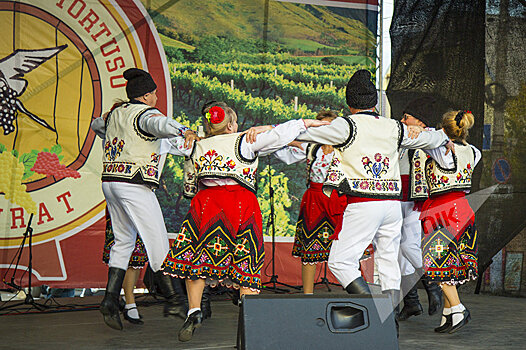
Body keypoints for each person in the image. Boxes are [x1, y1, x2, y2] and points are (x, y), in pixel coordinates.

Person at [161, 103, 329, 342]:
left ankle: (194, 310)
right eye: (236, 123)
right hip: (239, 206)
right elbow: (280, 134)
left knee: (195, 257)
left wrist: (185, 132)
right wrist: (306, 123)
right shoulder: (244, 141)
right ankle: (247, 314)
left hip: (206, 205)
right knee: (245, 259)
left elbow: (160, 140)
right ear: (230, 125)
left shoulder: (196, 143)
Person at [295, 70, 452, 323]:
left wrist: (275, 130)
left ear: (349, 104)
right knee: (388, 259)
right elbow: (432, 137)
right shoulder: (393, 126)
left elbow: (303, 134)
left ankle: (373, 307)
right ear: (375, 103)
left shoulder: (346, 125)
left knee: (340, 261)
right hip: (391, 204)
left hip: (364, 203)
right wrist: (446, 136)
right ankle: (390, 321)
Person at [91, 67, 198, 330]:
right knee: (157, 240)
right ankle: (173, 299)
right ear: (146, 95)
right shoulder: (146, 114)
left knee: (123, 241)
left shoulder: (117, 113)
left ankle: (109, 299)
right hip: (134, 184)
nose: (157, 99)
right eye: (155, 94)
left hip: (111, 183)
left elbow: (97, 125)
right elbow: (159, 124)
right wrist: (183, 130)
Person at [420, 110, 481, 333]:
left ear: (443, 129)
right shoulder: (474, 152)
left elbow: (425, 139)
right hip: (463, 209)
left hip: (442, 211)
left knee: (437, 261)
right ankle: (448, 315)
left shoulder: (441, 151)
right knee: (452, 262)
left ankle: (457, 308)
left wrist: (437, 135)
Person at [273, 110, 346, 295]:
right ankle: (308, 295)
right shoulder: (311, 148)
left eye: (329, 127)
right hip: (314, 200)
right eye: (320, 127)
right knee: (310, 248)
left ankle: (358, 294)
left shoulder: (345, 149)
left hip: (338, 200)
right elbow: (285, 155)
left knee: (347, 247)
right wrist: (288, 140)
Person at [396, 97, 443, 320]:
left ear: (421, 121)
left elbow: (439, 139)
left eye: (407, 117)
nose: (402, 120)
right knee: (399, 250)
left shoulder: (430, 136)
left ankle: (433, 283)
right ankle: (411, 301)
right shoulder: (403, 135)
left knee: (408, 243)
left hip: (419, 199)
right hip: (398, 196)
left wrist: (421, 133)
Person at [102, 209, 147, 324]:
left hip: (139, 203)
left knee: (138, 254)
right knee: (127, 252)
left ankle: (127, 299)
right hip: (123, 202)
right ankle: (130, 302)